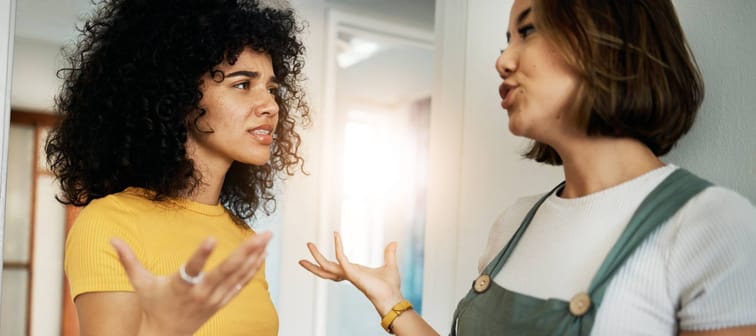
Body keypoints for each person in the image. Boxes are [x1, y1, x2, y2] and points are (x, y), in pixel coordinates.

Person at [299, 0, 756, 335]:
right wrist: (391, 302)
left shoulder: (709, 225)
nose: (503, 61)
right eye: (507, 39)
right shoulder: (516, 222)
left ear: (606, 37)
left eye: (529, 30)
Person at [45, 0, 308, 335]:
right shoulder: (110, 223)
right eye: (243, 84)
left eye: (271, 89)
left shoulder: (243, 236)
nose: (271, 105)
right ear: (179, 96)